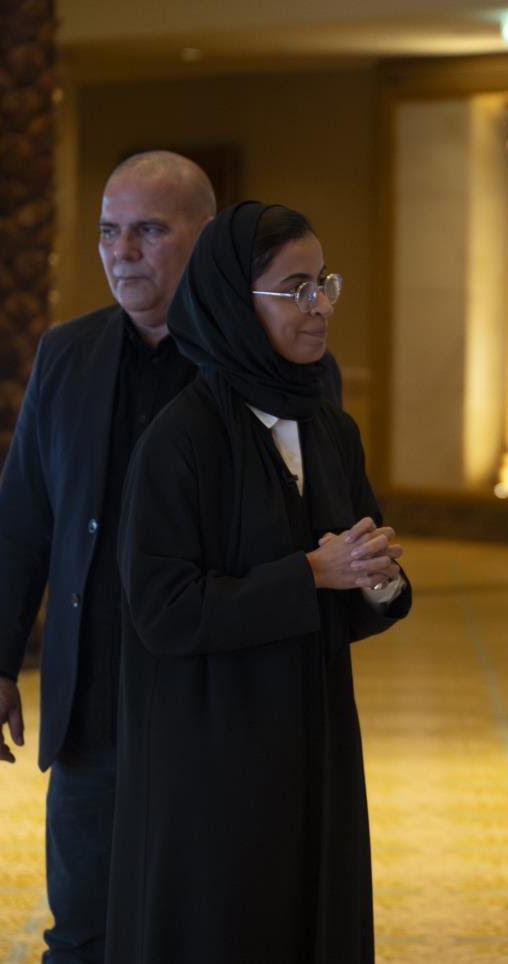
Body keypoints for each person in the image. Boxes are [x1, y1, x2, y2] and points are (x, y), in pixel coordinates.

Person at [105, 202, 410, 963]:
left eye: (325, 283)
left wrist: (375, 577)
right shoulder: (179, 440)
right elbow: (163, 610)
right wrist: (309, 573)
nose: (322, 306)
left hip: (314, 733)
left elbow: (354, 582)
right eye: (297, 289)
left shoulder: (330, 427)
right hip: (212, 747)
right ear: (234, 306)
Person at [0, 150, 215, 962]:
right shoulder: (66, 353)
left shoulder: (251, 362)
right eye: (110, 231)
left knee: (201, 929)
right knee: (81, 931)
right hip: (91, 707)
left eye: (149, 231)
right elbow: (22, 521)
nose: (122, 252)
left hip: (209, 705)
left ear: (204, 238)